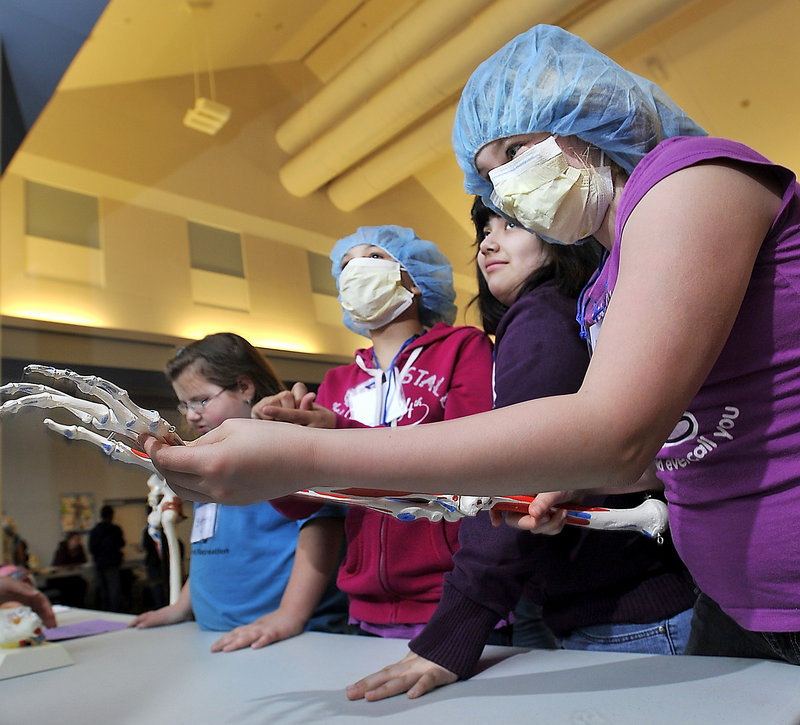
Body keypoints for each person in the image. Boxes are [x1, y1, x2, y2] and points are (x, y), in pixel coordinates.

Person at [143, 25, 800, 666]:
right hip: (733, 598)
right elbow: (660, 449)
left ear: (589, 109)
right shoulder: (608, 274)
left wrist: (306, 455)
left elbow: (616, 429)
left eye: (515, 150)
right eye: (490, 174)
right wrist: (568, 483)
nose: (507, 185)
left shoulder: (689, 178)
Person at [346, 198, 697, 701]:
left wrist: (455, 630)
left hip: (625, 614)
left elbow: (510, 473)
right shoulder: (561, 313)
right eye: (484, 231)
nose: (488, 242)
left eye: (511, 224)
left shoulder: (542, 317)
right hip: (619, 602)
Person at [256, 226, 494, 638]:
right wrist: (278, 448)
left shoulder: (463, 348)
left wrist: (339, 434)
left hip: (458, 596)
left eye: (373, 257)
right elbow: (303, 506)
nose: (354, 270)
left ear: (416, 281)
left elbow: (470, 458)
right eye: (345, 266)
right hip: (366, 610)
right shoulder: (336, 383)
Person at [131, 333, 348, 652]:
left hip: (281, 636)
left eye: (202, 400)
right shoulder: (208, 454)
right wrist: (182, 606)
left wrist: (289, 615)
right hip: (216, 634)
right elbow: (208, 540)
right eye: (184, 403)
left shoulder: (286, 442)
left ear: (244, 387)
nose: (191, 414)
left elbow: (321, 525)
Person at [89, 504, 125, 611]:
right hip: (113, 562)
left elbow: (91, 548)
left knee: (103, 589)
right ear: (111, 515)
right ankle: (115, 611)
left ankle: (105, 610)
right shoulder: (115, 529)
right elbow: (121, 544)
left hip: (100, 563)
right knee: (114, 589)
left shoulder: (95, 530)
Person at [50, 531, 88, 607]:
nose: (78, 542)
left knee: (82, 584)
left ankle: (79, 605)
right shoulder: (62, 549)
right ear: (69, 540)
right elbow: (58, 565)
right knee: (68, 587)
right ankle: (68, 605)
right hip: (61, 577)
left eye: (79, 540)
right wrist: (72, 566)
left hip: (73, 575)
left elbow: (83, 561)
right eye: (76, 539)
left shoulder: (79, 549)